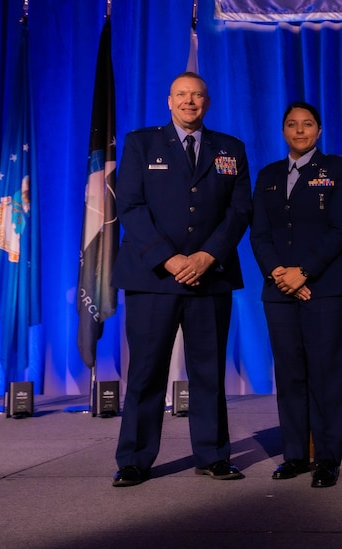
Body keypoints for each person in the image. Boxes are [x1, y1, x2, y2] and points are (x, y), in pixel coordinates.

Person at [111, 72, 252, 487]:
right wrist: (170, 259)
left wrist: (207, 256)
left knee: (208, 372)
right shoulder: (141, 143)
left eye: (197, 96)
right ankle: (134, 459)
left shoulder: (231, 148)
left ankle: (212, 455)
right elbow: (132, 208)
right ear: (169, 101)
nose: (190, 102)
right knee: (146, 372)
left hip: (210, 276)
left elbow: (239, 211)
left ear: (207, 102)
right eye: (182, 96)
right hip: (154, 277)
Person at [250, 101, 342, 488]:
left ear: (319, 130)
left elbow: (340, 226)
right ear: (283, 131)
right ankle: (295, 454)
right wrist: (278, 272)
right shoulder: (268, 175)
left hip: (324, 287)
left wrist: (304, 271)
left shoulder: (339, 170)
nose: (300, 131)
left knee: (326, 374)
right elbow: (259, 233)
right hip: (279, 289)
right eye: (292, 125)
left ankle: (327, 457)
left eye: (307, 124)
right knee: (290, 373)